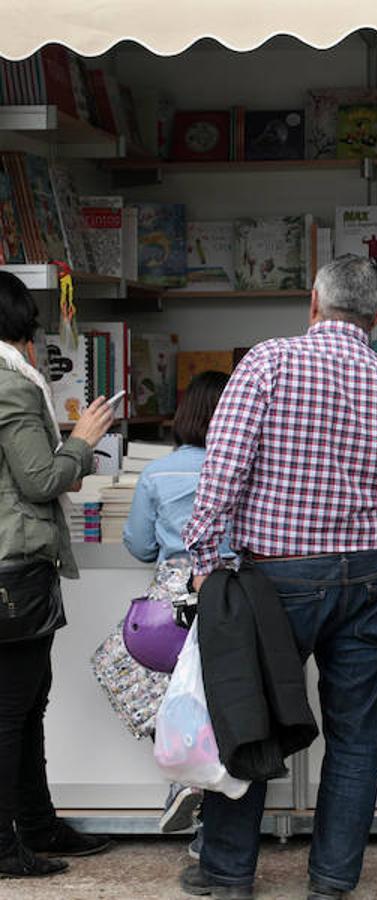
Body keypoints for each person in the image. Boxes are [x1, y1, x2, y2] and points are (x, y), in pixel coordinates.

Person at [180, 256, 377, 899]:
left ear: (313, 304)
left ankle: (228, 873)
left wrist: (202, 563)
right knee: (357, 736)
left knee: (250, 718)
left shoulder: (268, 364)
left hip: (276, 580)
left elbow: (223, 471)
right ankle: (331, 881)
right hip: (373, 580)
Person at [0, 270, 115, 877]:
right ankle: (9, 842)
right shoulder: (11, 388)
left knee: (24, 703)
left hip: (10, 566)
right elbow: (41, 480)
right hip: (14, 568)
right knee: (14, 709)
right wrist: (81, 440)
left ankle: (38, 825)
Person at [121, 370, 231, 845]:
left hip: (171, 605)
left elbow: (138, 544)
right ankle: (208, 809)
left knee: (147, 684)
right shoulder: (244, 465)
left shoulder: (156, 472)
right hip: (231, 592)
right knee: (223, 700)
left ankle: (185, 778)